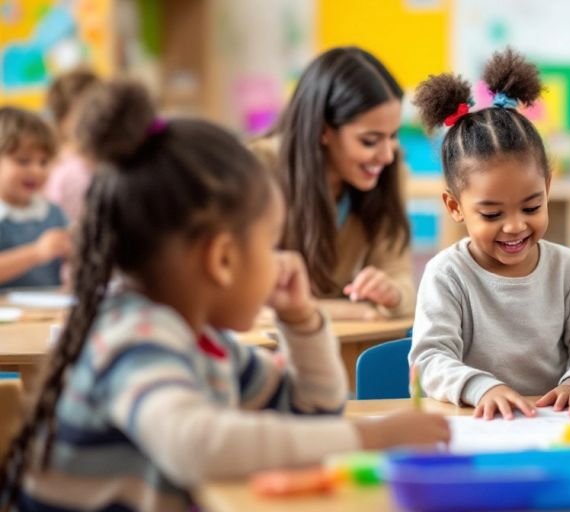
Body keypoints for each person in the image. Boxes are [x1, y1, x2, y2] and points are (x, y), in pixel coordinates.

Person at [0, 81, 449, 512]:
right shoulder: (134, 337)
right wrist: (369, 439)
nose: (281, 259)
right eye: (270, 242)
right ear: (222, 259)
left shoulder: (206, 344)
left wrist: (303, 322)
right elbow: (198, 446)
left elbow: (314, 413)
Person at [409, 49, 570, 420]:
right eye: (492, 213)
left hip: (554, 426)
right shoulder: (447, 274)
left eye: (531, 207)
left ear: (548, 187)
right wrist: (483, 388)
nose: (515, 226)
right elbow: (429, 360)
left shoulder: (568, 269)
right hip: (476, 424)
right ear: (455, 206)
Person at [253, 47, 414, 319]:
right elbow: (250, 300)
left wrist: (392, 293)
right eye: (370, 141)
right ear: (323, 130)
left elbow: (401, 279)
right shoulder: (258, 169)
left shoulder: (391, 170)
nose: (387, 155)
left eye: (393, 135)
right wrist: (356, 312)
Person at [0, 107, 70, 289]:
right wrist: (37, 253)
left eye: (44, 162)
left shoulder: (53, 213)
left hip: (49, 312)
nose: (37, 171)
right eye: (23, 161)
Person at [43, 67, 100, 223]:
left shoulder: (98, 159)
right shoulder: (67, 172)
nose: (96, 118)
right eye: (84, 112)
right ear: (62, 120)